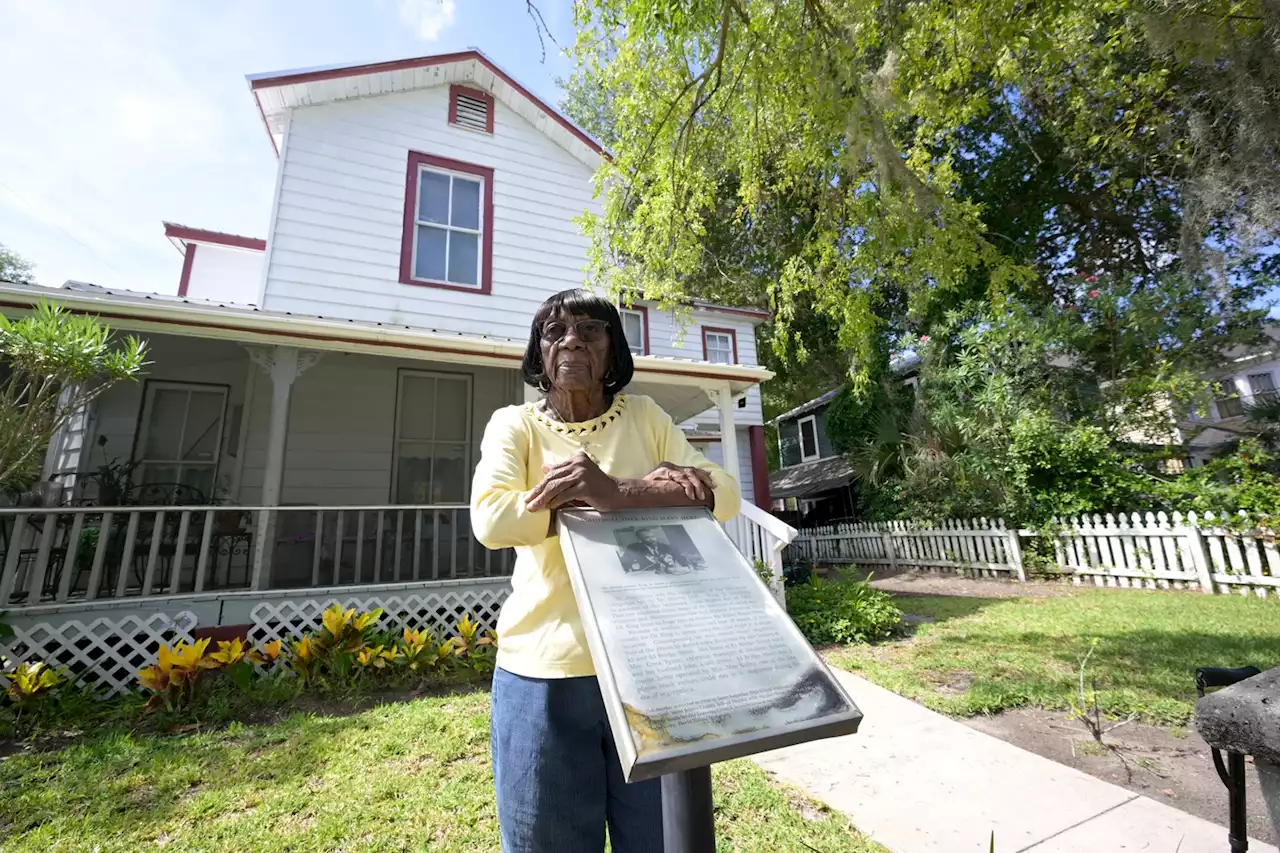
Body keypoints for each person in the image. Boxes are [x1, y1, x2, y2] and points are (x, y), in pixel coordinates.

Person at [470, 288, 741, 853]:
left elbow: (726, 495)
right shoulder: (514, 425)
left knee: (664, 837)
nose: (571, 340)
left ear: (613, 350)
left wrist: (619, 490)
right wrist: (654, 493)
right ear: (538, 354)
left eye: (590, 330)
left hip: (653, 664)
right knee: (551, 840)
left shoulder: (646, 417)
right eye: (554, 332)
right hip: (545, 669)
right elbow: (492, 519)